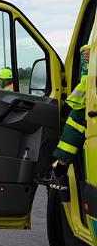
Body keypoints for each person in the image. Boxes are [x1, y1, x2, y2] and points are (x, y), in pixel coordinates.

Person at [39, 44, 91, 193]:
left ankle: (58, 173)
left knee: (74, 122)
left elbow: (86, 82)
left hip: (85, 105)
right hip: (85, 103)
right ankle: (58, 172)